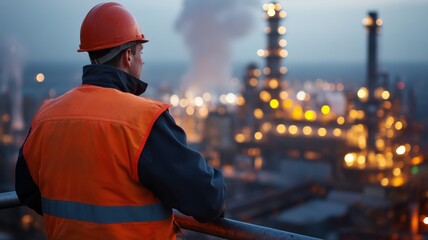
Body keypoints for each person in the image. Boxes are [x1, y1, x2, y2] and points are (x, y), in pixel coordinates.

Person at [14, 2, 226, 239]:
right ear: (128, 56)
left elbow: (27, 190)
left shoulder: (46, 116)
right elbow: (207, 200)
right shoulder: (143, 121)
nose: (142, 61)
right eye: (140, 52)